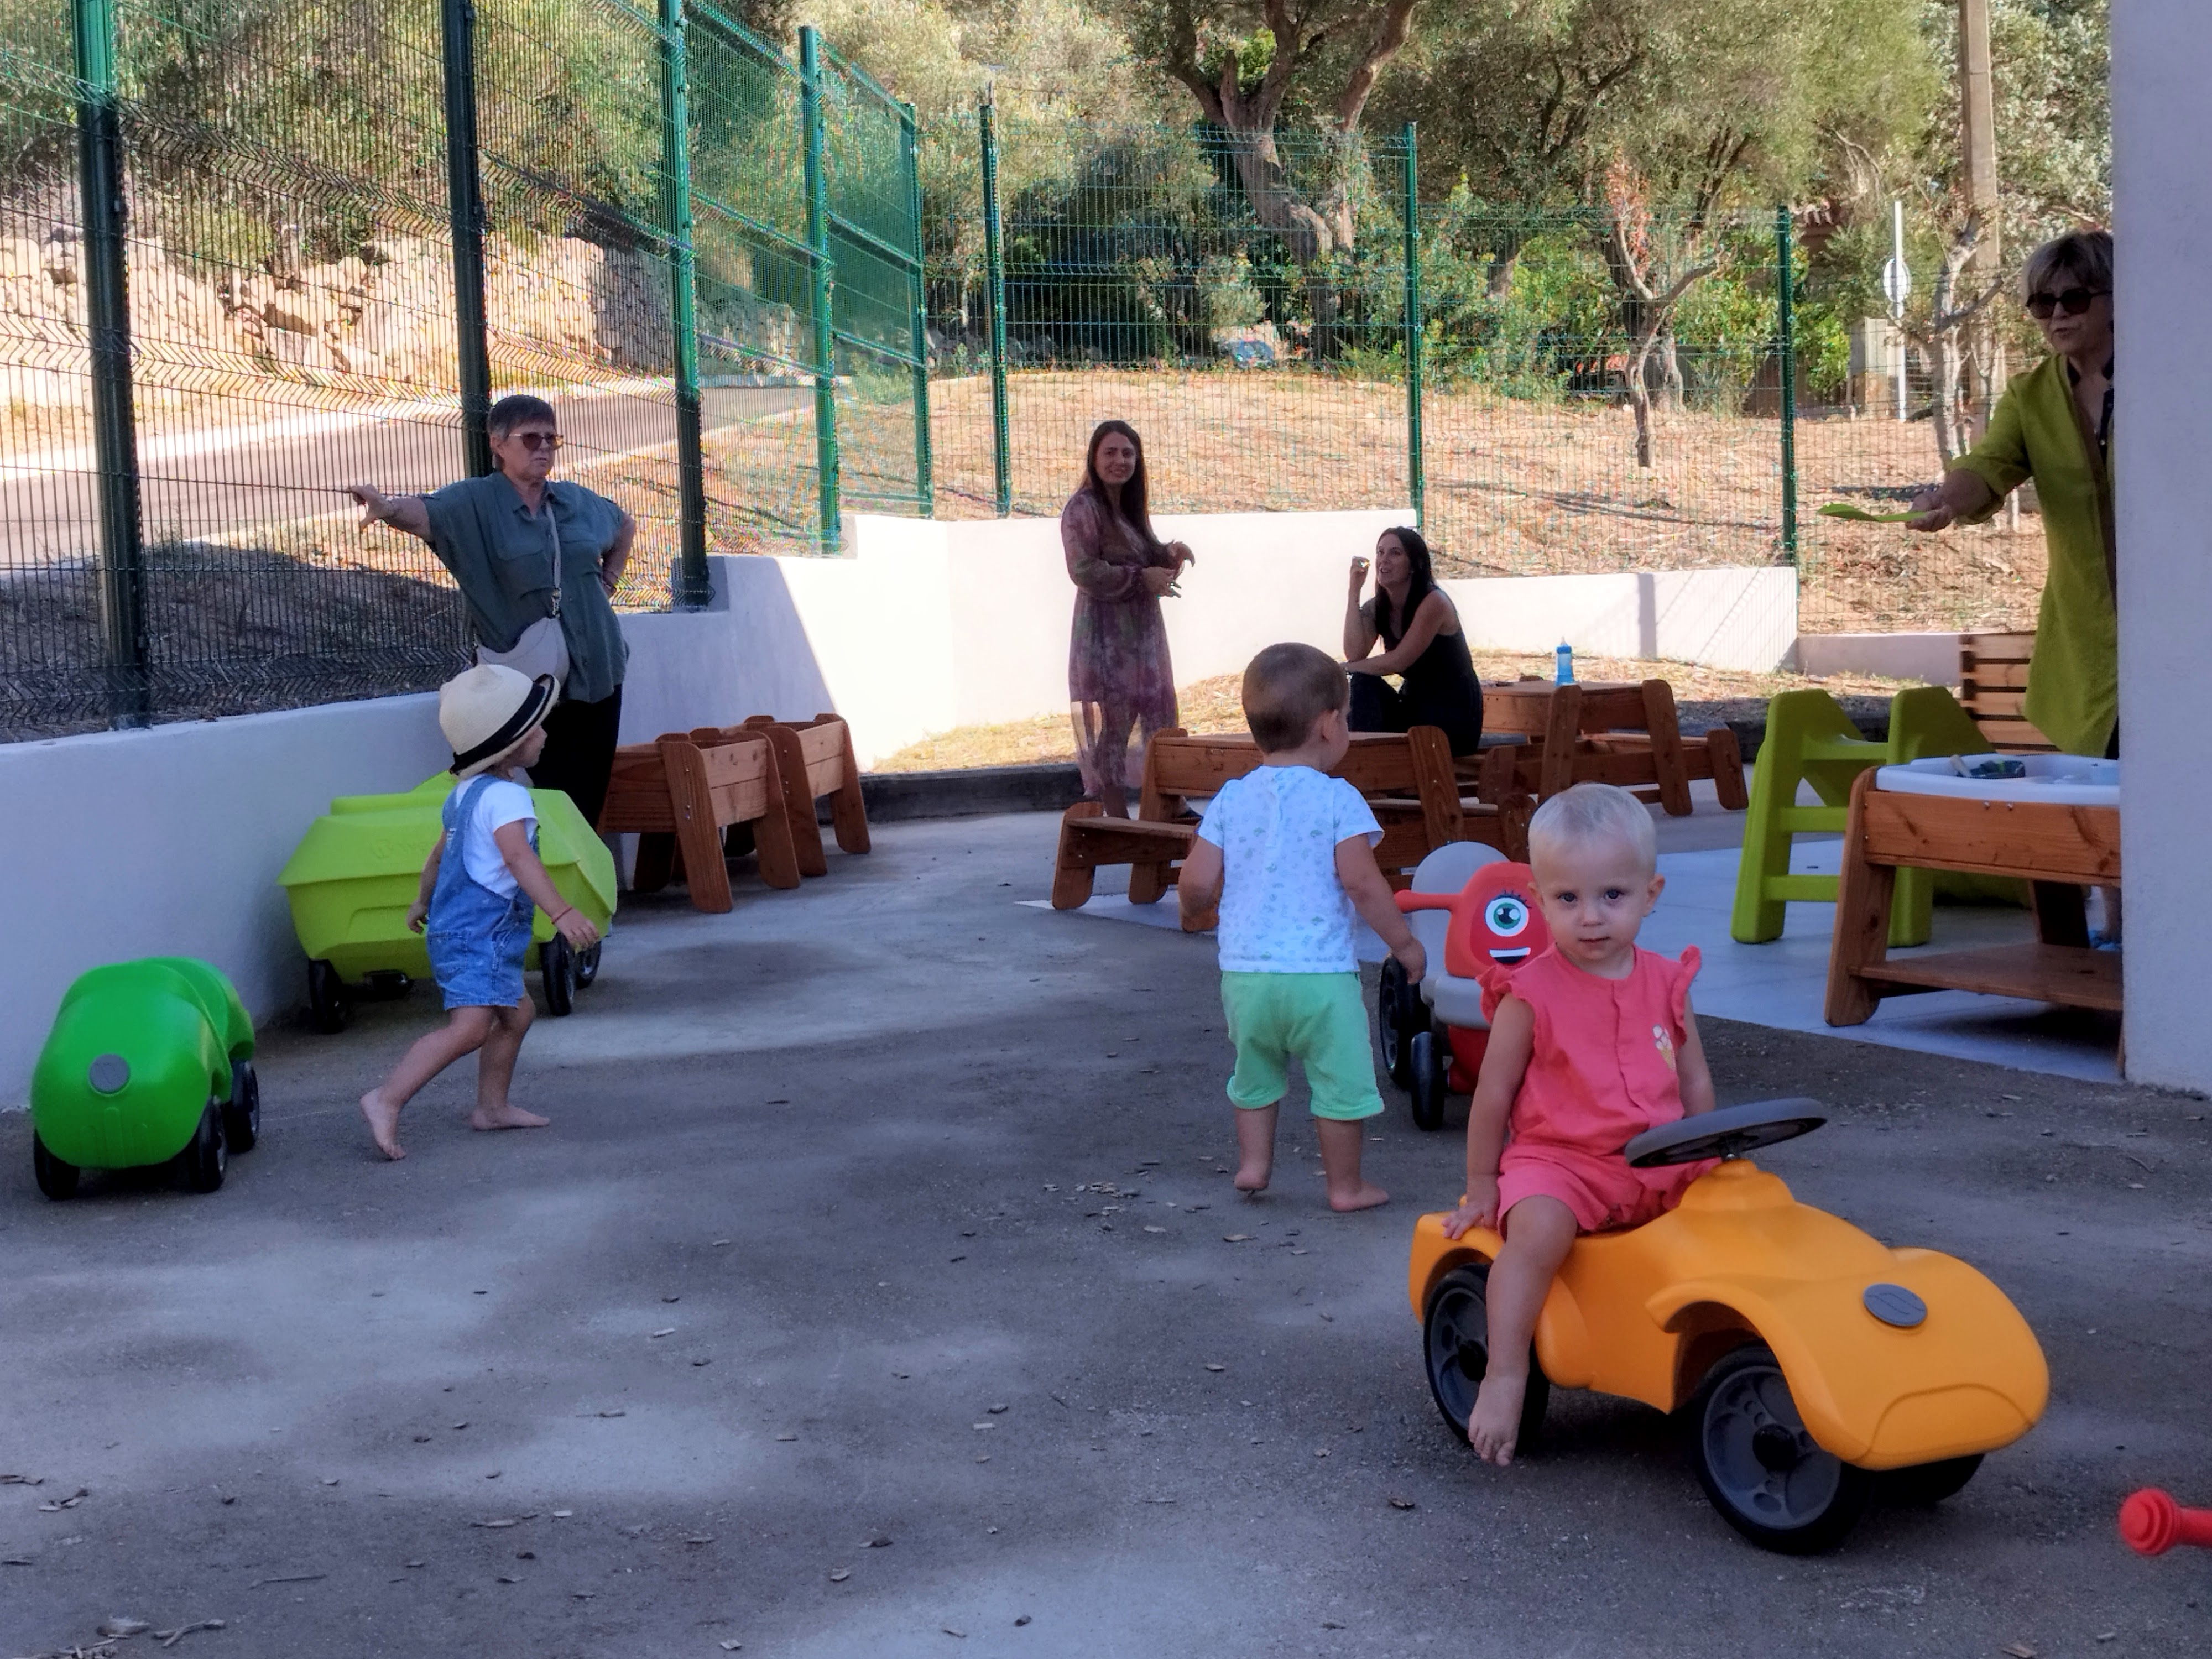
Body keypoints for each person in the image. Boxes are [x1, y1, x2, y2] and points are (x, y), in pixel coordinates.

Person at [1437, 782, 1716, 1465]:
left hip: (1657, 1155)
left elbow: (1693, 1079)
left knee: (1738, 1215)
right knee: (1536, 1233)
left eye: (1611, 897)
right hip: (1559, 1161)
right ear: (1537, 901)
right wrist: (1482, 1185)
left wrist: (1710, 1152)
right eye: (1567, 899)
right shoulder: (1528, 992)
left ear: (1649, 895)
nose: (1590, 918)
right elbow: (1493, 1094)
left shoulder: (1664, 981)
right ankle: (1505, 1373)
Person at [1176, 643, 1427, 1212]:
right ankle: (1345, 1187)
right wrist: (1404, 944)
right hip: (1319, 978)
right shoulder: (1339, 799)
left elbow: (1195, 883)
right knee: (1339, 1083)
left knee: (1255, 1072)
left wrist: (1195, 912)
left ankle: (1254, 1165)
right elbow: (1364, 885)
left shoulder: (1231, 799)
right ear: (1328, 724)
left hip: (1245, 976)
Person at [349, 394, 637, 828]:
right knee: (552, 794)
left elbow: (624, 524)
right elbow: (425, 515)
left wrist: (608, 579)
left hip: (598, 670)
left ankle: (579, 889)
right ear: (499, 444)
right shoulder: (475, 503)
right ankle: (545, 888)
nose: (543, 447)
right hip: (525, 683)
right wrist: (387, 508)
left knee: (588, 798)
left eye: (551, 438)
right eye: (530, 438)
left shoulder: (576, 502)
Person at [358, 665, 601, 1162]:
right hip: (479, 936)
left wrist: (422, 899)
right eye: (536, 725)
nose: (545, 733)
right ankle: (385, 1099)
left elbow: (438, 854)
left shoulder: (465, 794)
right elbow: (519, 857)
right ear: (510, 741)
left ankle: (491, 1108)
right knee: (469, 1028)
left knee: (517, 1014)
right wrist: (560, 911)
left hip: (464, 930)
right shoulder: (509, 798)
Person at [1906, 229, 2116, 760]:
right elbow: (1989, 464)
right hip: (2087, 638)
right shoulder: (2031, 395)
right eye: (2042, 304)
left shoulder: (2176, 379)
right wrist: (1947, 499)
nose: (2057, 316)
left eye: (2075, 298)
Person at [1062, 420, 1195, 813]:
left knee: (1158, 713)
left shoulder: (1130, 508)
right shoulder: (1081, 508)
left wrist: (1167, 554)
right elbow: (1083, 570)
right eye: (1111, 452)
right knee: (1116, 725)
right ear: (1094, 457)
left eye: (1128, 453)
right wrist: (1141, 578)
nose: (1120, 461)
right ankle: (1116, 814)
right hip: (1105, 637)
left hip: (1142, 634)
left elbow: (1139, 555)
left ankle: (1169, 805)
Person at [1343, 525, 1484, 756]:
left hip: (1452, 716)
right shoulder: (1378, 607)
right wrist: (1353, 592)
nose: (1384, 560)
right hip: (1414, 708)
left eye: (1395, 553)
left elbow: (1398, 662)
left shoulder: (1434, 603)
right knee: (1362, 682)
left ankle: (1372, 767)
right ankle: (1366, 762)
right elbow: (1355, 653)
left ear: (1415, 565)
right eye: (1380, 552)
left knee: (1358, 675)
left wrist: (1343, 669)